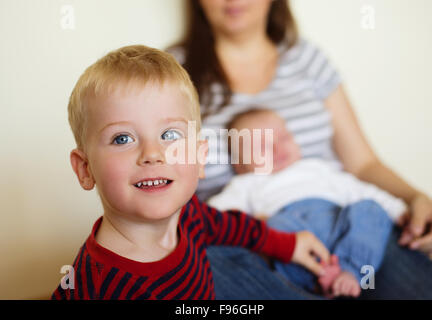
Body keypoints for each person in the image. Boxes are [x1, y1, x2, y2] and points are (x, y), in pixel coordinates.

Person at [169, 0, 432, 299]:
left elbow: (362, 165)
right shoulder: (170, 73)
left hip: (344, 226)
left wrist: (416, 200)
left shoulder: (306, 60)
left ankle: (347, 273)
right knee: (205, 263)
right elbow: (175, 198)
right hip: (252, 245)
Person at [51, 45, 332, 300]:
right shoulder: (96, 284)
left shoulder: (189, 215)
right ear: (85, 169)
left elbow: (230, 226)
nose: (152, 154)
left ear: (200, 158)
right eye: (122, 138)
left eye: (170, 134)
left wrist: (287, 244)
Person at [208, 108, 407, 297]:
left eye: (284, 138)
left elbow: (362, 191)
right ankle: (318, 280)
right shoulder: (246, 183)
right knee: (274, 228)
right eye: (263, 146)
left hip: (338, 226)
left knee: (370, 208)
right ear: (240, 165)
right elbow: (215, 215)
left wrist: (400, 211)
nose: (277, 148)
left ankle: (351, 271)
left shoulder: (316, 168)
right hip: (294, 242)